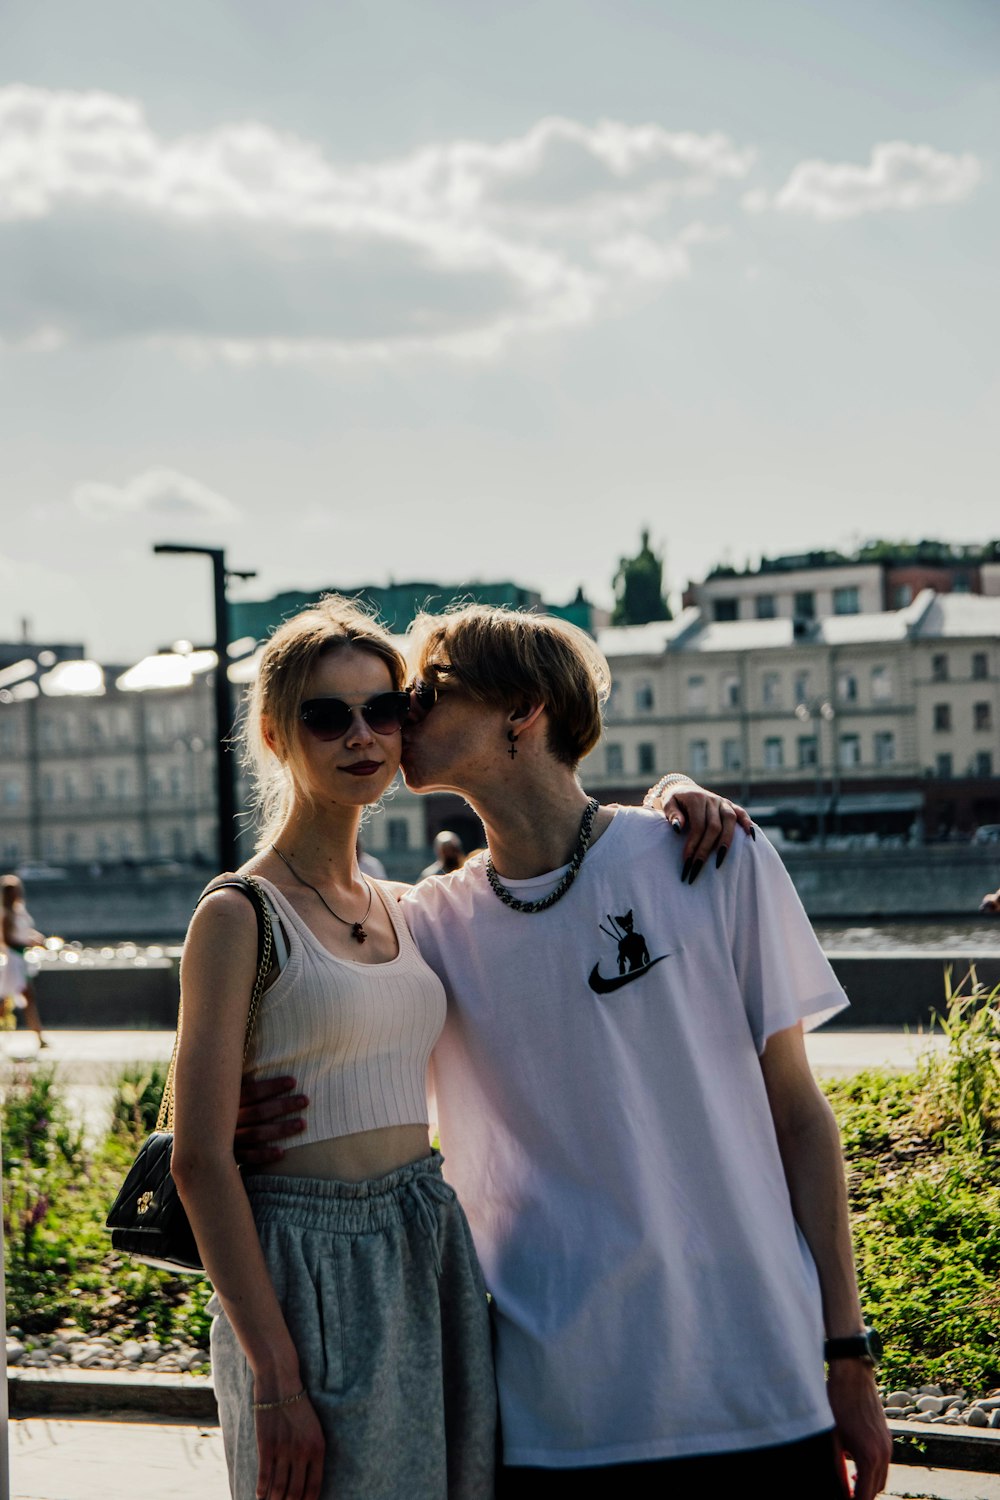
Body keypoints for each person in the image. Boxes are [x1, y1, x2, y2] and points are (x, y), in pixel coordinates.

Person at [241, 605, 892, 1499]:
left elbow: (800, 1118)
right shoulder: (421, 927)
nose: (401, 716)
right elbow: (305, 1020)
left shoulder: (709, 857)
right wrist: (227, 1120)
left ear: (524, 711)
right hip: (553, 1412)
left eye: (427, 693)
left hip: (757, 1378)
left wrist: (847, 1353)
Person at [171, 598, 498, 1500]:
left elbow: (555, 854)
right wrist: (276, 1380)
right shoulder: (238, 914)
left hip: (425, 1242)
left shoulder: (406, 904)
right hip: (304, 1267)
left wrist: (675, 798)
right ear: (278, 737)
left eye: (382, 709)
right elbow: (199, 1160)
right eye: (327, 716)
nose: (361, 735)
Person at [1, 874, 48, 1047]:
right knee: (13, 999)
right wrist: (29, 942)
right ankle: (39, 1037)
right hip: (14, 960)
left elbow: (25, 931)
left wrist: (36, 938)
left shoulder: (18, 910)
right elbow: (7, 939)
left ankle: (39, 1037)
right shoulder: (7, 914)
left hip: (21, 959)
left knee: (16, 999)